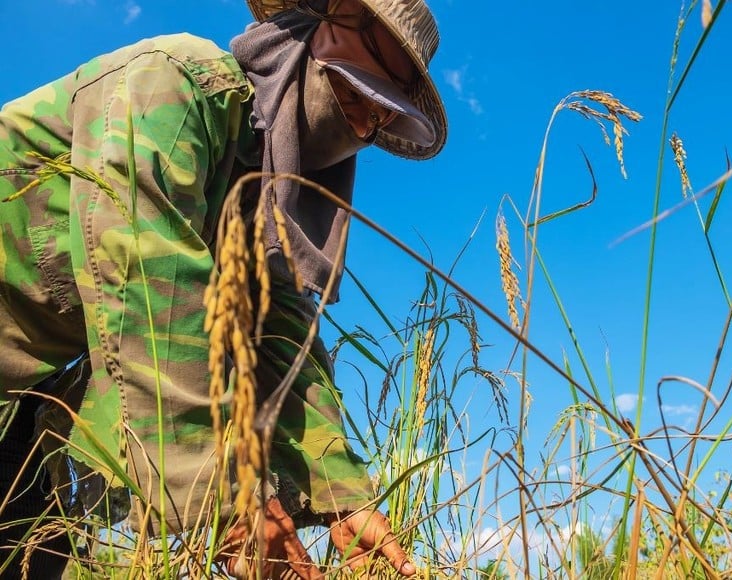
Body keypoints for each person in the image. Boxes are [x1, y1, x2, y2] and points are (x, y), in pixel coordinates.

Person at [0, 0, 446, 577]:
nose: (361, 120)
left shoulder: (264, 199)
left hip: (26, 394)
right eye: (354, 89)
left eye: (378, 115)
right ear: (314, 28)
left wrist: (342, 498)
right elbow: (146, 277)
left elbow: (280, 334)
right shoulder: (177, 86)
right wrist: (227, 502)